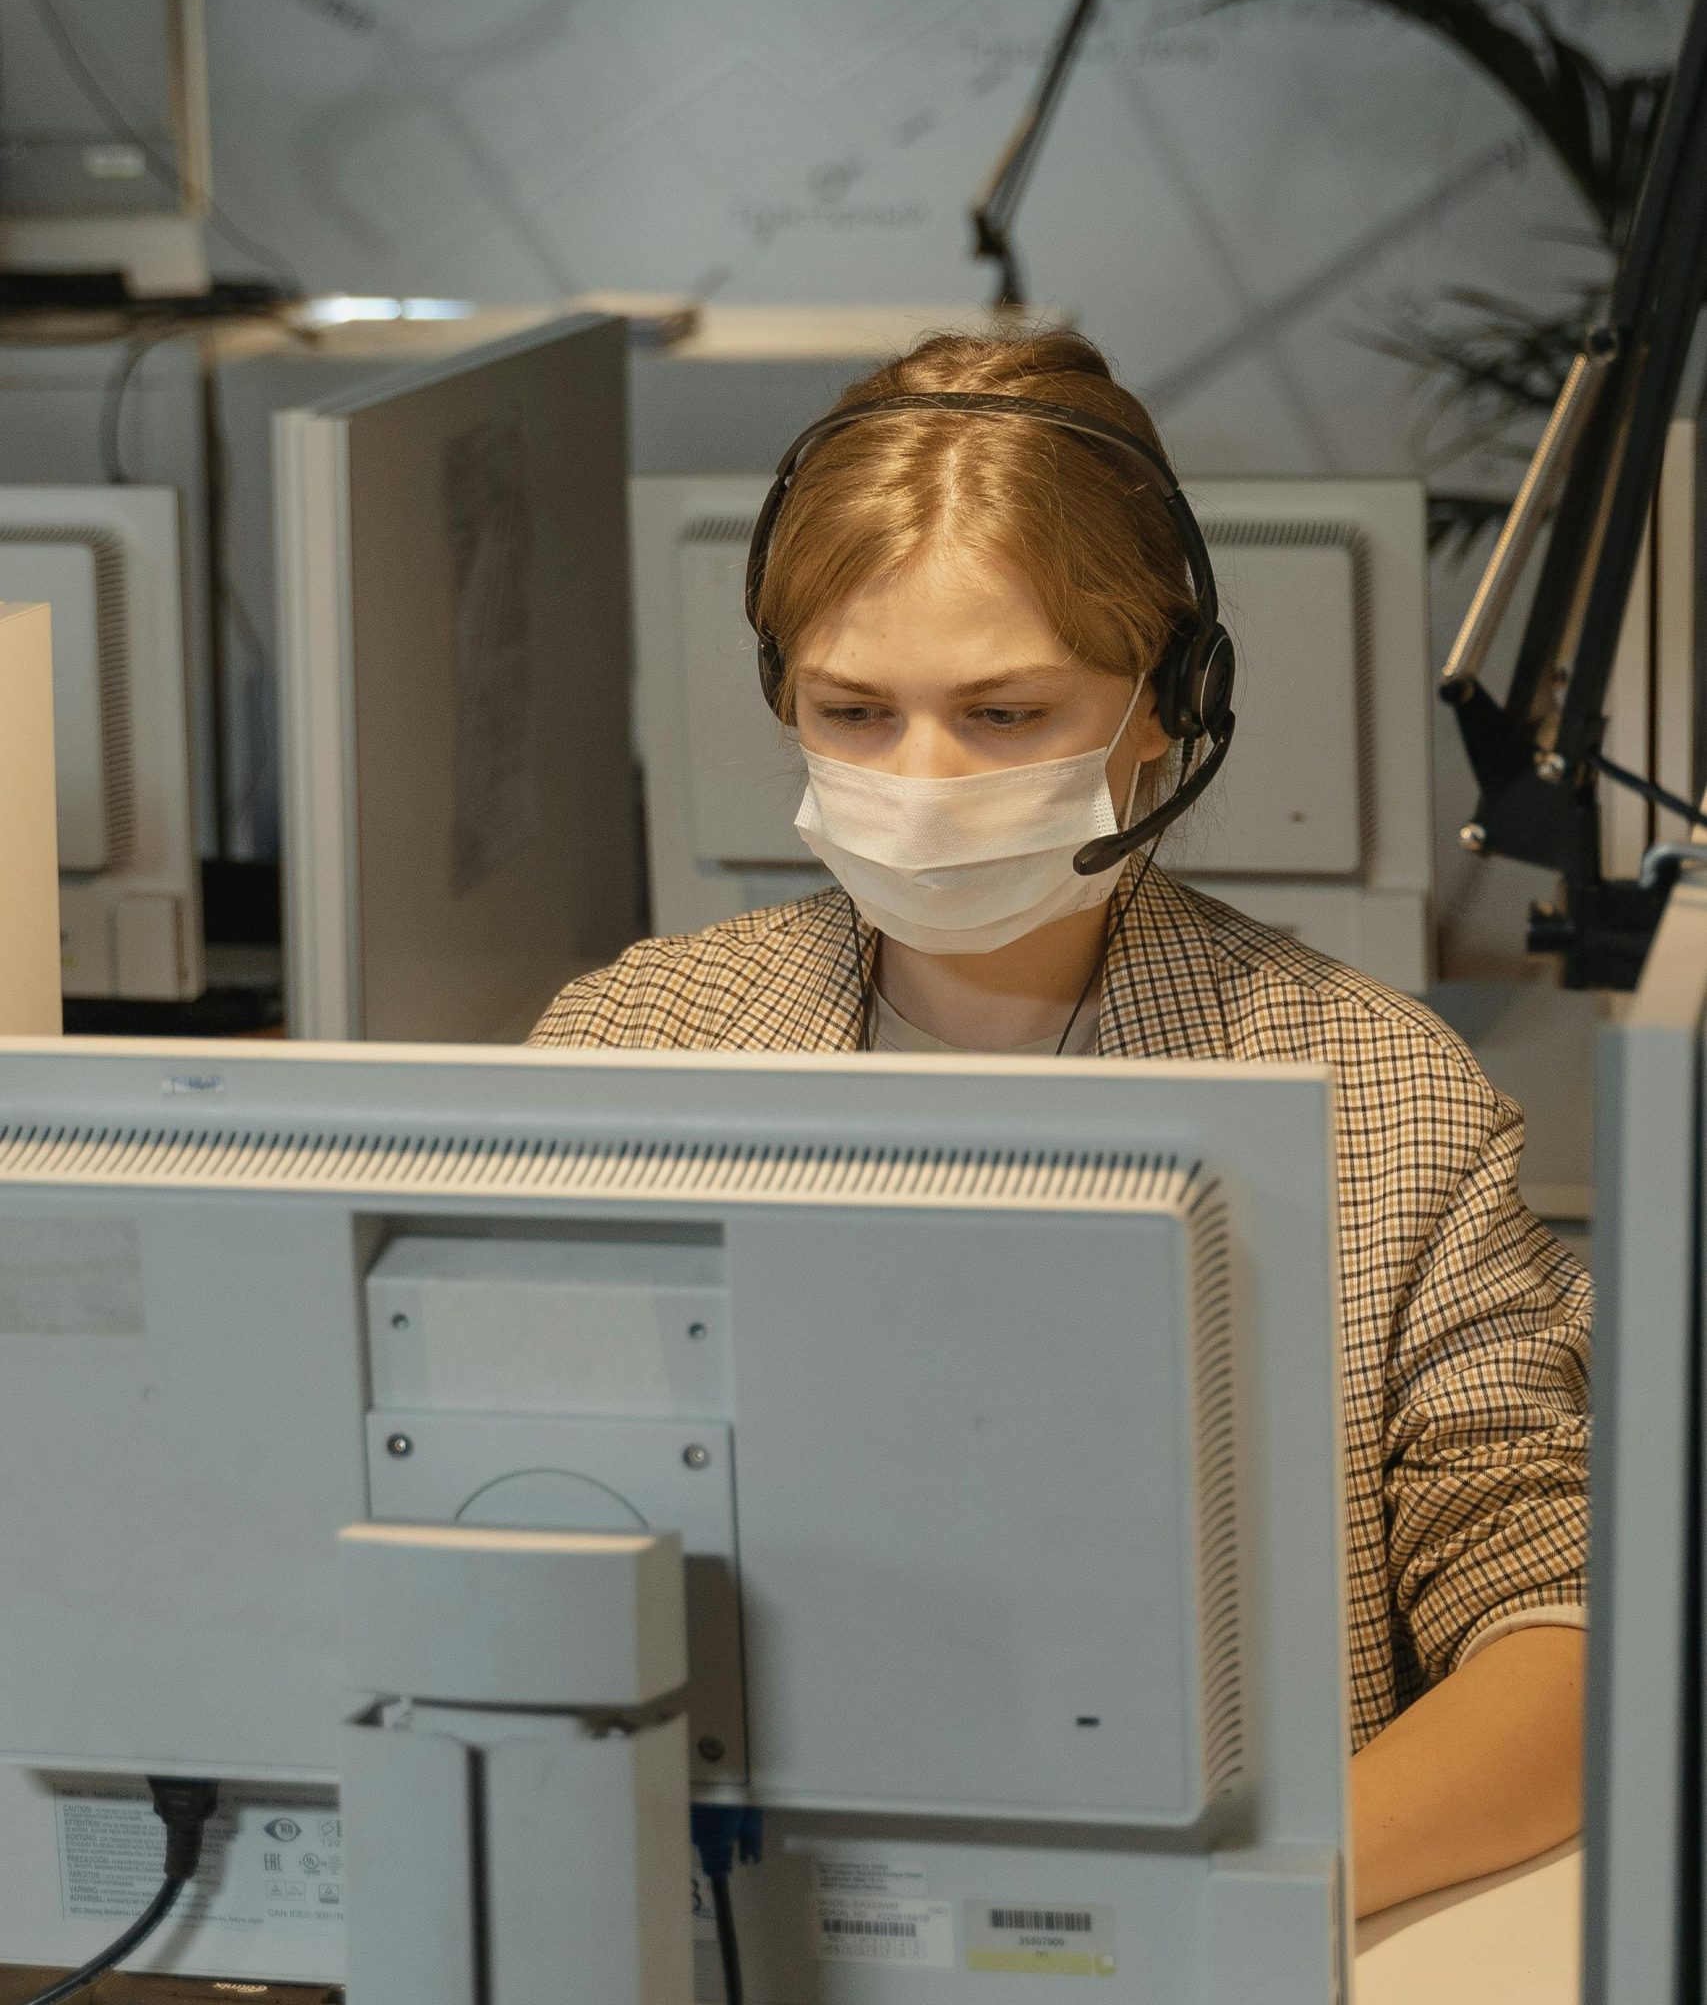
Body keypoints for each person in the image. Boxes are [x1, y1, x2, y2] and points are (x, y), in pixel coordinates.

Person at [533, 326, 1589, 1919]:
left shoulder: (1382, 1095)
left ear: (1165, 705)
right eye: (855, 711)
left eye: (1007, 715)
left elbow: (1565, 1629)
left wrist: (1201, 1901)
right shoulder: (623, 1055)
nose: (925, 779)